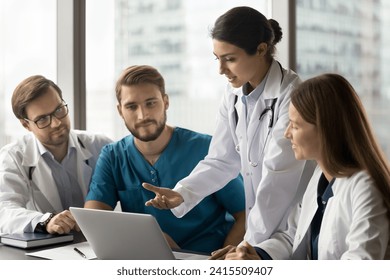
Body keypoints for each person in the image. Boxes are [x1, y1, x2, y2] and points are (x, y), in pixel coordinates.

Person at [143, 6, 315, 258]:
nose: (221, 69)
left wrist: (247, 245)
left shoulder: (292, 96)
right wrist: (182, 193)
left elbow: (276, 181)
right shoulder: (233, 95)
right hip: (261, 231)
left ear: (261, 49)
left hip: (291, 226)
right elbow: (221, 160)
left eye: (230, 59)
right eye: (217, 58)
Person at [224, 73, 390, 260]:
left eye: (295, 126)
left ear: (325, 128)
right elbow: (292, 236)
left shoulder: (365, 188)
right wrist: (257, 256)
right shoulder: (320, 177)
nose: (287, 134)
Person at [84, 65, 246, 254]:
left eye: (151, 103)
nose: (142, 115)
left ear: (166, 102)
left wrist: (224, 261)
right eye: (131, 106)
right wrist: (149, 239)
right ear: (120, 111)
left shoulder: (207, 149)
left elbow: (245, 213)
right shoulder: (112, 156)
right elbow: (93, 220)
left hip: (205, 260)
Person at [0, 75, 112, 235]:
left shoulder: (100, 145)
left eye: (59, 110)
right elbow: (4, 210)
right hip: (46, 251)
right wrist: (46, 220)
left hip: (97, 243)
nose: (57, 123)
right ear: (26, 124)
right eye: (43, 119)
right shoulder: (13, 156)